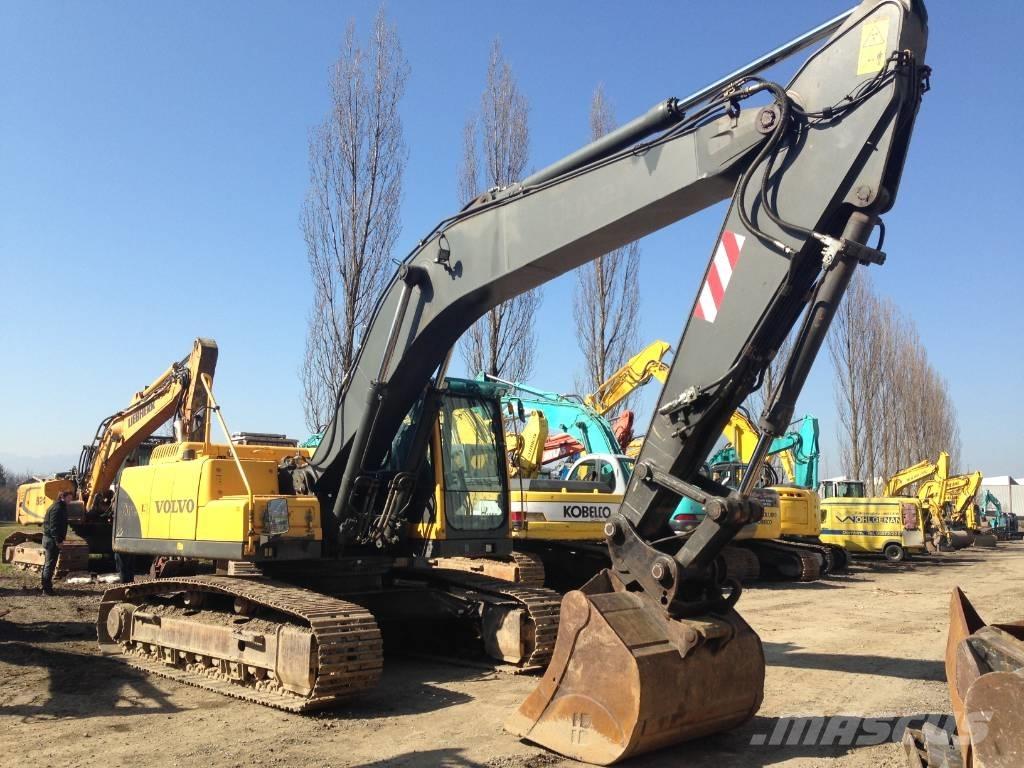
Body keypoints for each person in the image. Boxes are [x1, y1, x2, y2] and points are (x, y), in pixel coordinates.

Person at [41, 490, 70, 595]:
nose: (70, 500)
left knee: (49, 564)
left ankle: (45, 586)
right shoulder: (57, 509)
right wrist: (58, 541)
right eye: (69, 498)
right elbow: (54, 527)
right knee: (50, 565)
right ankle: (47, 589)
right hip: (51, 541)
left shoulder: (60, 507)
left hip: (51, 539)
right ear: (62, 497)